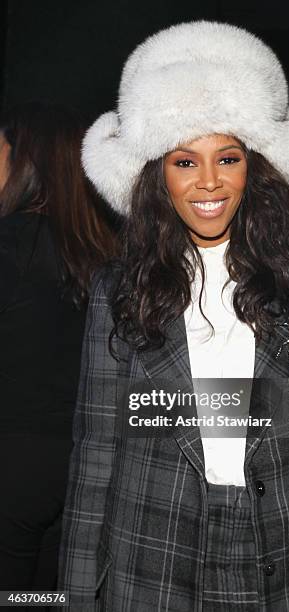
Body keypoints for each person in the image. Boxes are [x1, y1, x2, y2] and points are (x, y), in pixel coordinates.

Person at [58, 22, 289, 611]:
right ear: (157, 177)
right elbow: (96, 449)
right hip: (154, 547)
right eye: (183, 161)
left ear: (258, 165)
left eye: (227, 156)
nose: (208, 181)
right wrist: (76, 595)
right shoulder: (122, 288)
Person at [0, 102, 121, 597]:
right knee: (45, 596)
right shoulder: (109, 256)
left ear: (28, 160)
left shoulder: (11, 244)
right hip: (82, 469)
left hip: (11, 467)